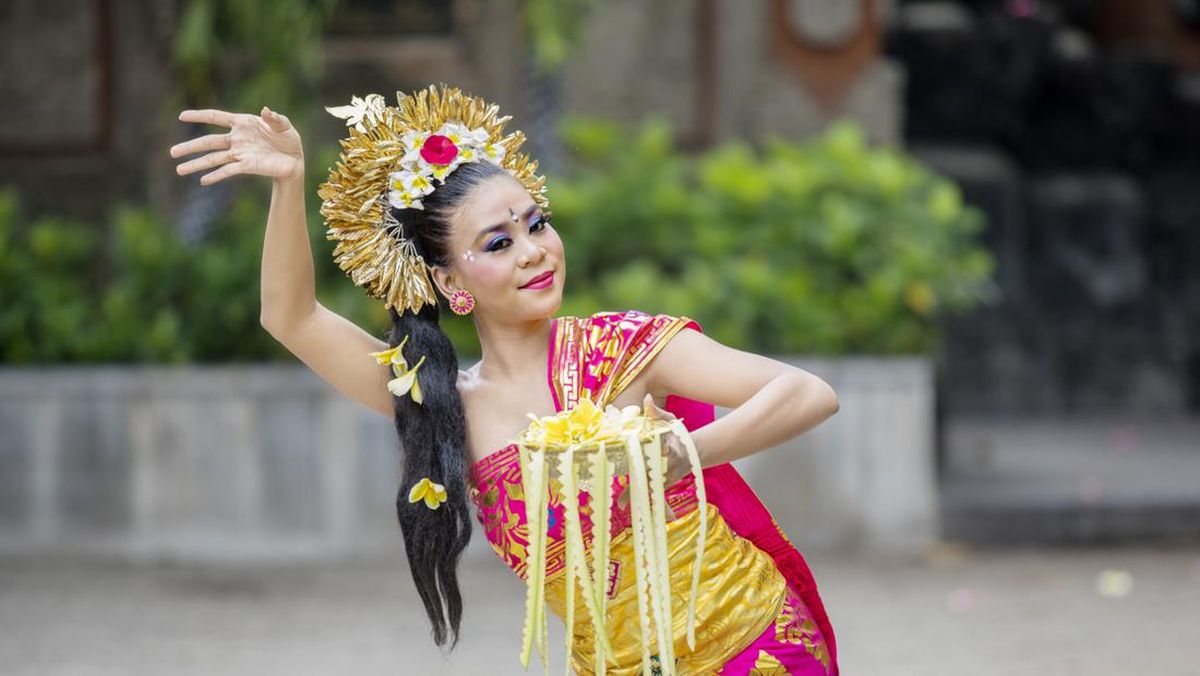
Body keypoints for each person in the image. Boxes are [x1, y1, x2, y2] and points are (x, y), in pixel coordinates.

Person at [169, 84, 841, 675]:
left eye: (536, 225)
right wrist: (290, 184)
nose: (534, 252)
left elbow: (809, 393)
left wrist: (675, 456)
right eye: (498, 243)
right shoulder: (444, 406)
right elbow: (290, 317)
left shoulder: (621, 348)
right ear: (449, 282)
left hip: (755, 650)